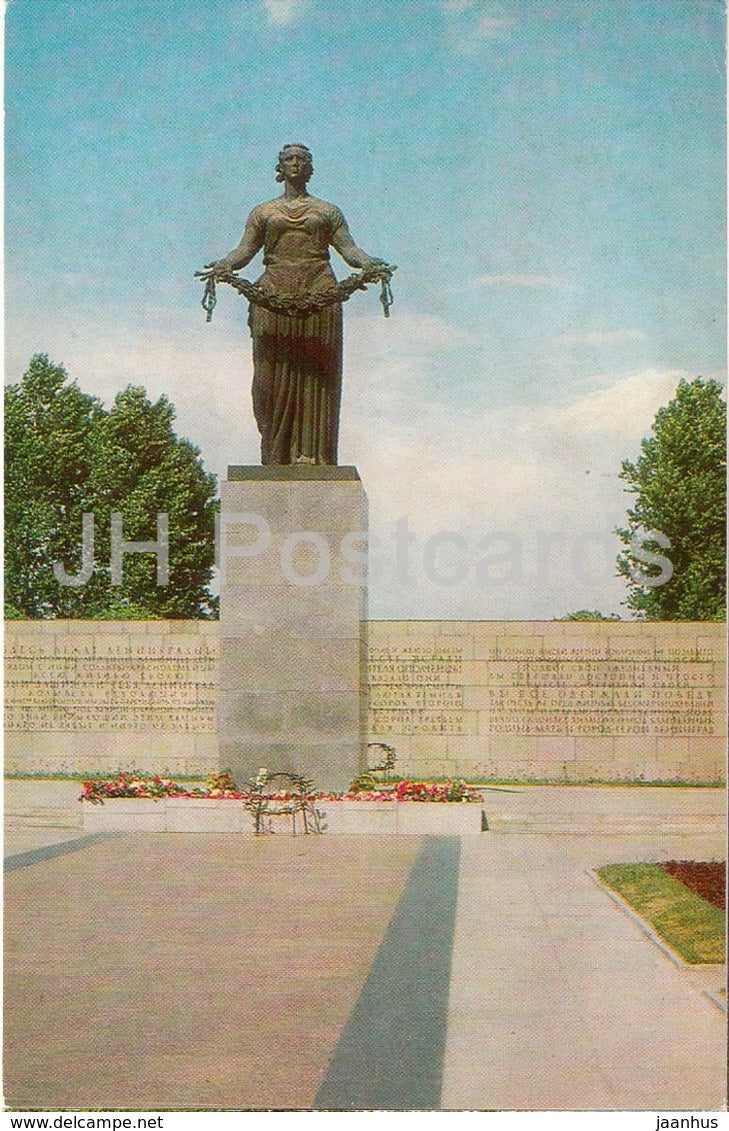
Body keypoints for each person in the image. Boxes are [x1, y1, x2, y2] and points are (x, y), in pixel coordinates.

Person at [201, 144, 388, 466]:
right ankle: (274, 453)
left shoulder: (328, 211)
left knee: (316, 374)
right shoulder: (263, 212)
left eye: (302, 159)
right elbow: (244, 251)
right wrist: (223, 266)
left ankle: (310, 454)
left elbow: (350, 251)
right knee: (268, 378)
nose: (296, 163)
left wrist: (370, 263)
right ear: (280, 167)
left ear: (311, 168)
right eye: (289, 159)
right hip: (273, 293)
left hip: (319, 291)